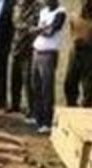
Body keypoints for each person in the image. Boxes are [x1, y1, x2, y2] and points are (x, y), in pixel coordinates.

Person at [29, 0, 65, 133]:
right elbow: (37, 29)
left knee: (46, 88)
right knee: (36, 85)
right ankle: (38, 117)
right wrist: (41, 29)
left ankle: (47, 121)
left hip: (49, 53)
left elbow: (50, 31)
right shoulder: (43, 11)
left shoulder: (60, 12)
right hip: (37, 51)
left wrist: (38, 30)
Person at [63, 0, 92, 107]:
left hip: (90, 54)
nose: (86, 2)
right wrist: (75, 40)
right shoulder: (74, 15)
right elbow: (72, 30)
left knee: (88, 87)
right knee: (69, 84)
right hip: (75, 53)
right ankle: (72, 108)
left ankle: (86, 111)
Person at [8, 0, 37, 114]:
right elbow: (15, 23)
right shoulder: (17, 7)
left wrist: (25, 27)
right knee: (15, 78)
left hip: (29, 48)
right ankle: (15, 104)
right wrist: (27, 27)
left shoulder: (37, 8)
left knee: (28, 80)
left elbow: (35, 25)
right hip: (16, 46)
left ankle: (31, 107)